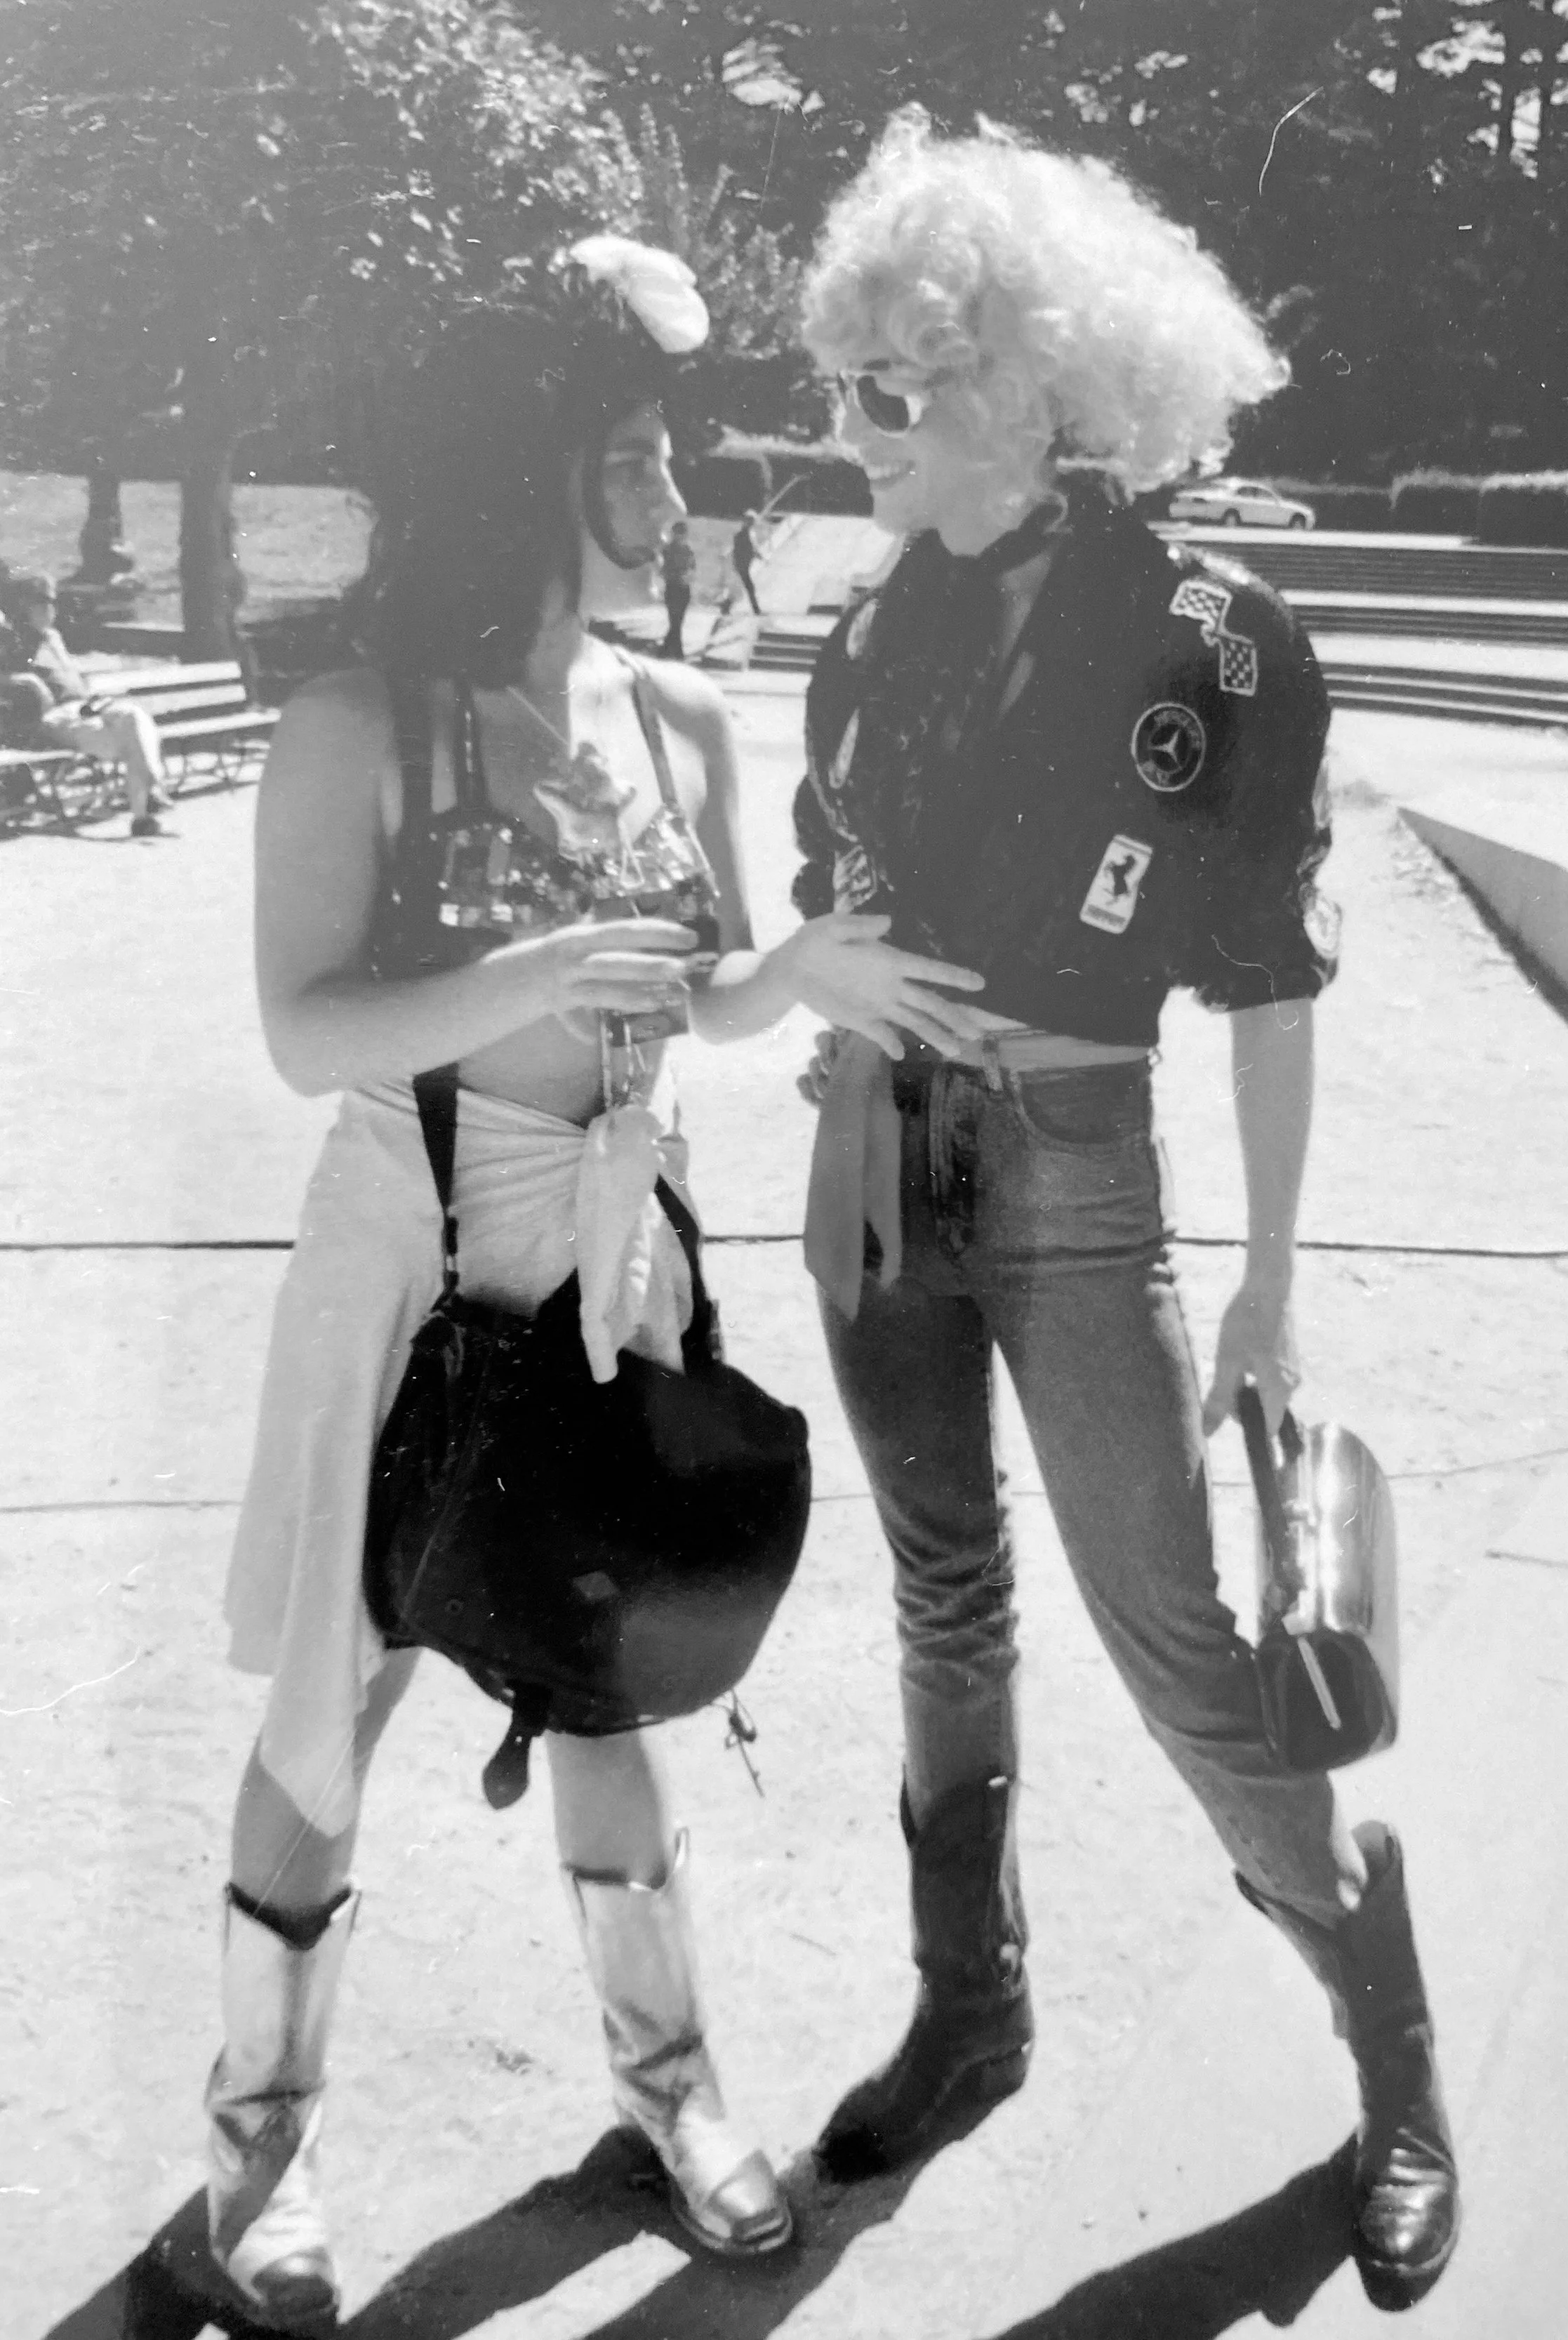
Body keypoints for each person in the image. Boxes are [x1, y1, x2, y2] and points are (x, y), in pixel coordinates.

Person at [188, 242, 992, 2330]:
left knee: (609, 1662)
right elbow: (304, 1030)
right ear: (531, 474)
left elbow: (702, 995)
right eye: (631, 456)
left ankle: (671, 2094)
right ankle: (252, 2154)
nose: (671, 493)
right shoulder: (364, 720)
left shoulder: (677, 711)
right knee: (335, 1696)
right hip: (417, 1249)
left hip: (618, 1244)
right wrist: (526, 978)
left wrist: (793, 981)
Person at [788, 112, 1459, 2315]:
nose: (849, 426)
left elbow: (1261, 981)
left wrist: (1262, 1278)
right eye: (842, 381)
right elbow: (831, 904)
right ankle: (965, 2013)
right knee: (939, 1608)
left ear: (1037, 386)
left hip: (1082, 1182)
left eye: (895, 384)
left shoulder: (1215, 634)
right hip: (872, 1166)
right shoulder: (857, 633)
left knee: (1177, 1649)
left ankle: (1392, 2055)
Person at [1, 570, 170, 835]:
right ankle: (144, 808)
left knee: (135, 716)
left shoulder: (54, 637)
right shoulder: (12, 639)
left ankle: (148, 795)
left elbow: (70, 675)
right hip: (54, 718)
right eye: (43, 603)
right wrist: (31, 682)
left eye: (52, 603)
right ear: (26, 607)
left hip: (85, 708)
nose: (50, 610)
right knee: (132, 737)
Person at [659, 516, 696, 657]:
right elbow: (663, 570)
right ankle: (678, 653)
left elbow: (693, 568)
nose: (680, 535)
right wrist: (675, 575)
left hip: (684, 588)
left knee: (678, 621)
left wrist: (688, 576)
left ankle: (665, 651)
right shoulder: (667, 550)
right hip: (673, 587)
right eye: (678, 532)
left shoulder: (688, 550)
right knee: (675, 621)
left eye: (683, 532)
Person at [731, 509, 764, 614]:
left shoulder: (750, 533)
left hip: (746, 564)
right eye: (751, 521)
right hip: (742, 565)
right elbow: (742, 550)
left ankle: (726, 605)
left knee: (744, 587)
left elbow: (752, 548)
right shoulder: (741, 535)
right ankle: (756, 610)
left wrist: (757, 554)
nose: (752, 524)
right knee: (749, 587)